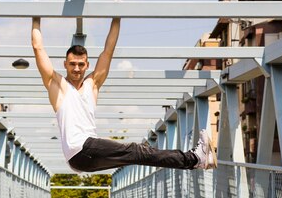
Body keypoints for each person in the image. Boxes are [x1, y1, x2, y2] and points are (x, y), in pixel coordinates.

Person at [31, 17, 216, 173]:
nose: (77, 68)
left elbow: (108, 51)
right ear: (65, 64)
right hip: (80, 150)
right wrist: (36, 19)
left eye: (81, 64)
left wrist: (116, 18)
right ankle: (195, 158)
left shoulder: (92, 84)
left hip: (86, 158)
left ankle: (195, 160)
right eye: (72, 64)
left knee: (137, 155)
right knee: (135, 151)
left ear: (87, 65)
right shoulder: (58, 86)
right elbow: (38, 48)